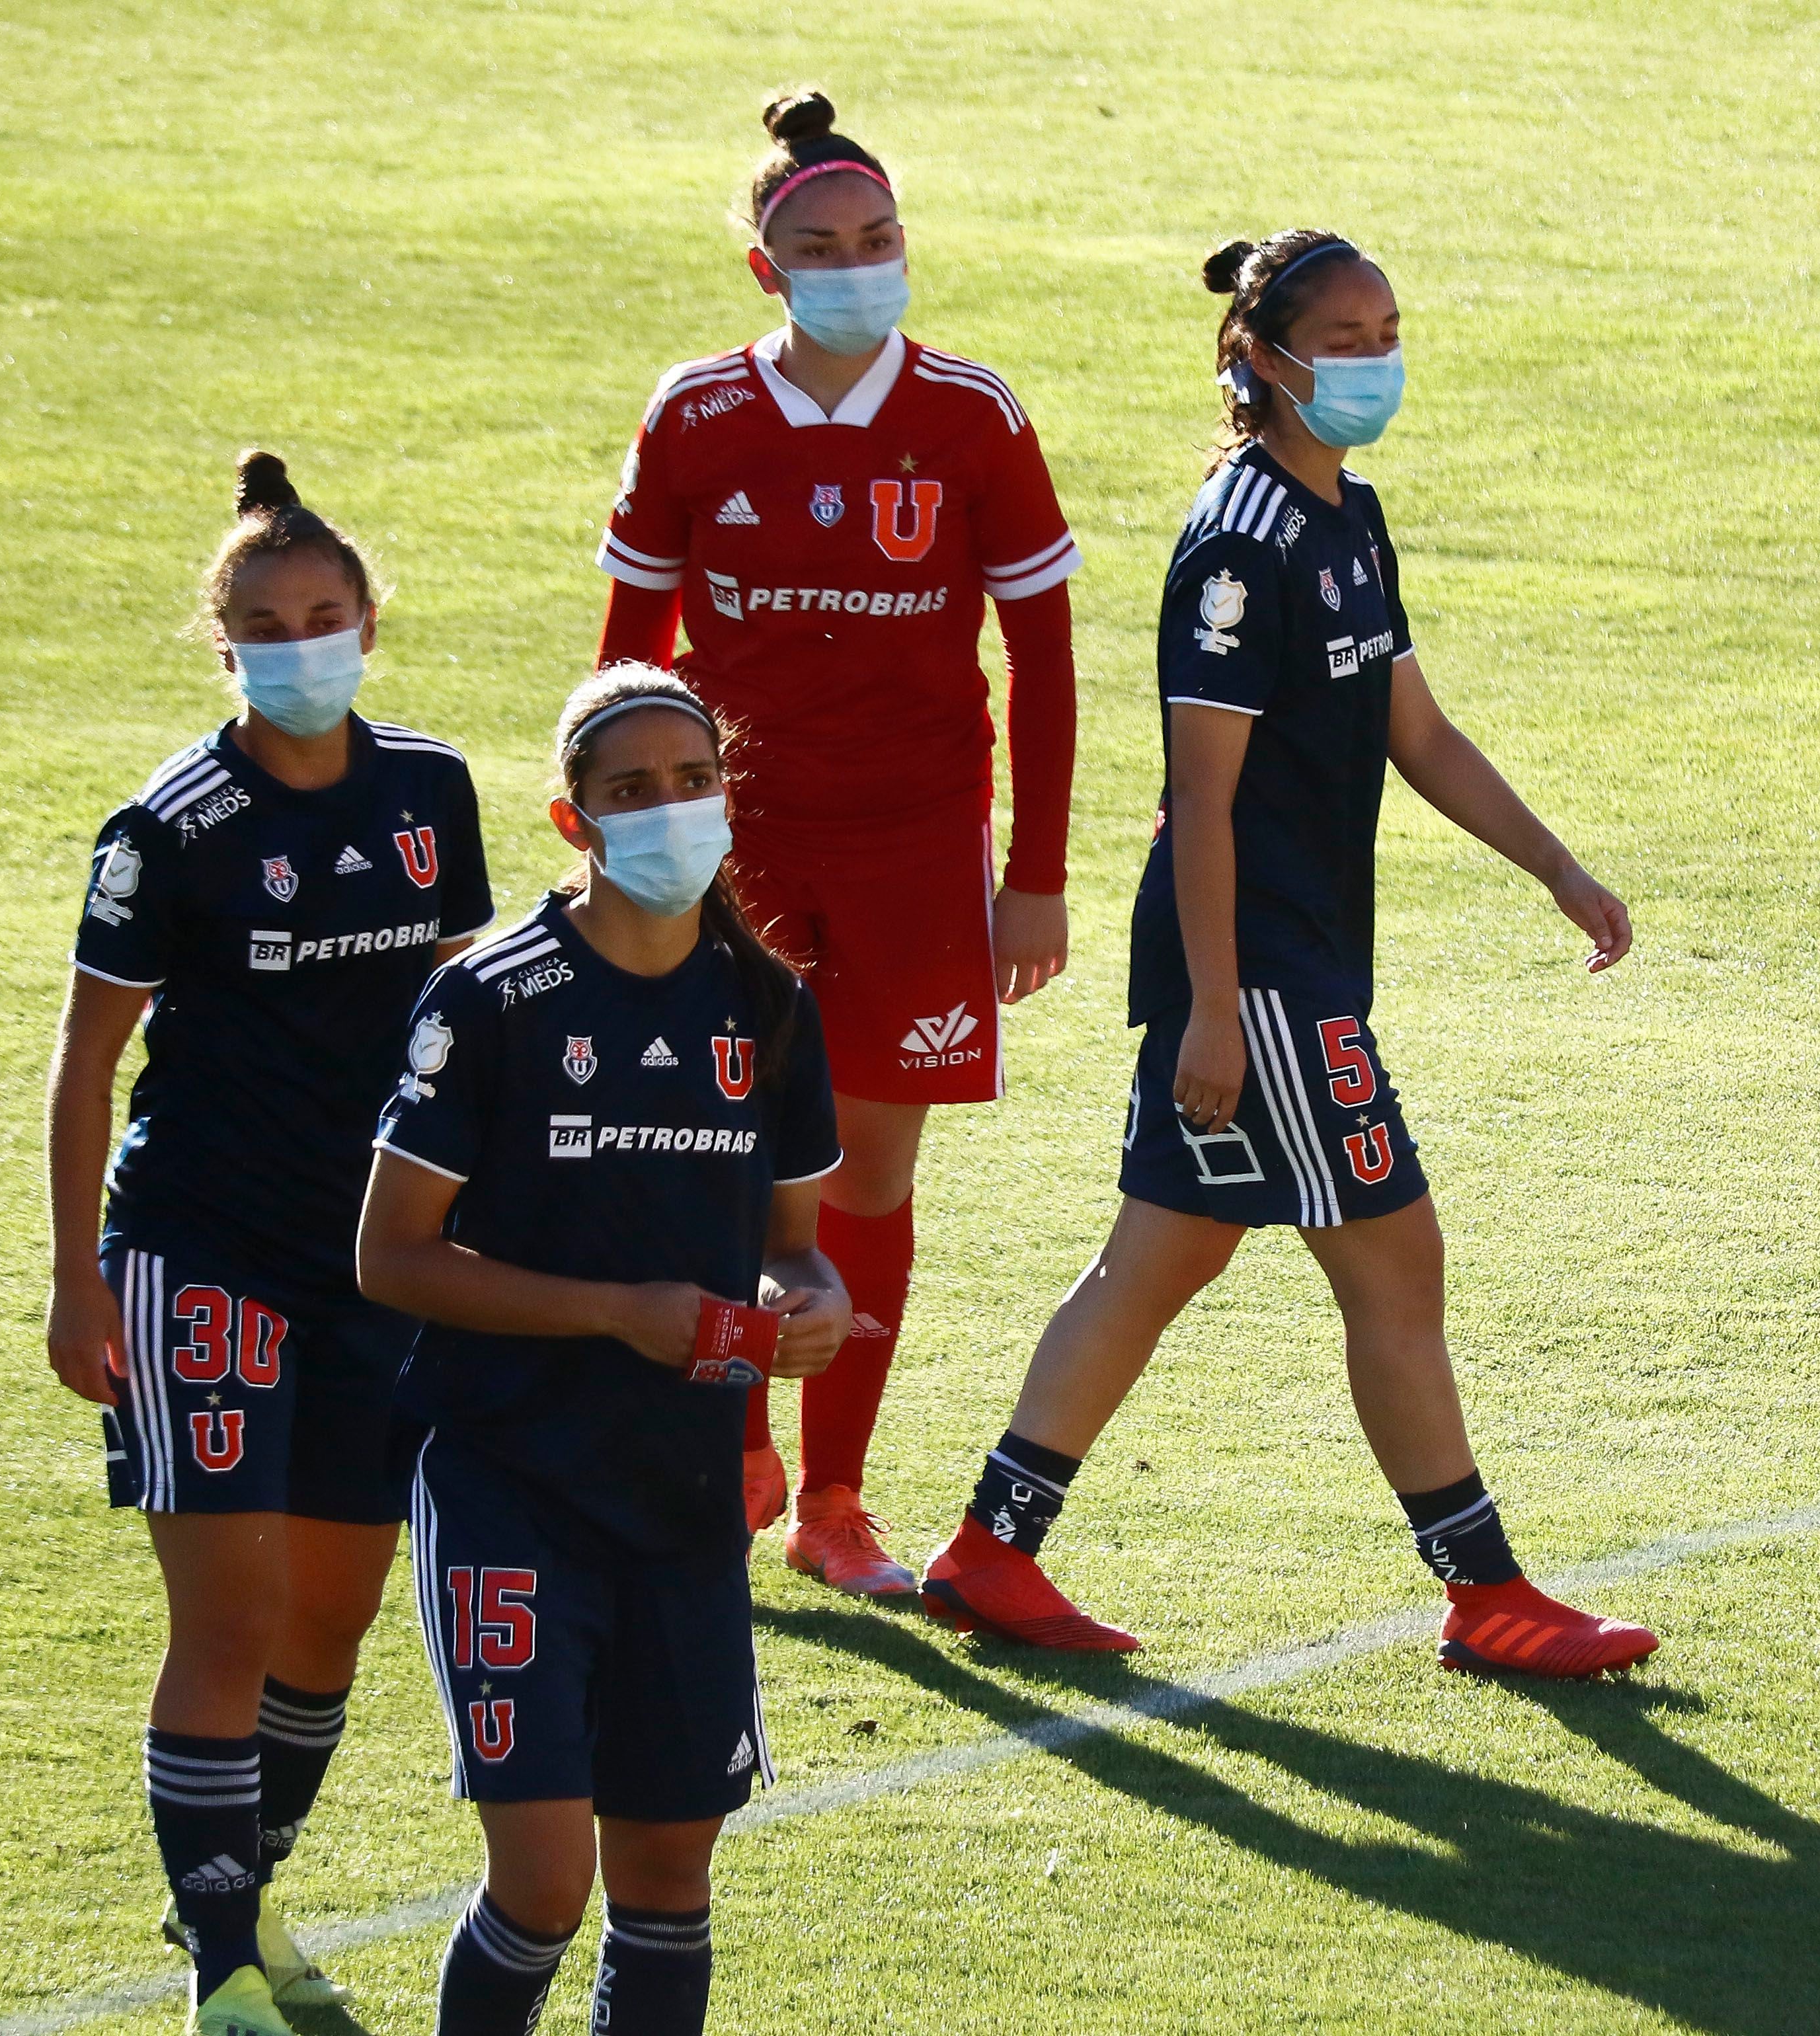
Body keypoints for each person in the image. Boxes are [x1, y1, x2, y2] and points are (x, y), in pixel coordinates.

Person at [912, 231, 1659, 1679]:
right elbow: (1202, 796)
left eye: (1392, 330)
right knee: (1396, 1262)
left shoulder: (1347, 515)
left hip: (1278, 960)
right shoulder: (1241, 546)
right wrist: (1211, 1007)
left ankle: (993, 1548)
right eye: (1349, 336)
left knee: (1157, 1258)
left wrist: (1557, 867)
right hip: (1256, 973)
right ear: (1264, 356)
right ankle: (1484, 1588)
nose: (1377, 360)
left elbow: (1417, 732)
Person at [592, 88, 1084, 1598]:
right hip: (729, 852)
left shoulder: (971, 415)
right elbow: (625, 659)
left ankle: (834, 1495)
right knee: (716, 1146)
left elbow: (1045, 659)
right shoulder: (696, 415)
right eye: (821, 243)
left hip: (919, 851)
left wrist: (1035, 876)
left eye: (879, 238)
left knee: (868, 1168)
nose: (857, 263)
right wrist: (614, 845)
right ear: (766, 265)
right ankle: (728, 1441)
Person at [43, 453, 493, 2035]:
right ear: (218, 639)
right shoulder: (167, 828)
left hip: (378, 1260)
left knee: (334, 1620)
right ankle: (223, 1970)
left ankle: (228, 1890)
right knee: (229, 1620)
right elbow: (90, 1058)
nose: (299, 641)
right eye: (262, 621)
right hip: (202, 1250)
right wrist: (74, 1274)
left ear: (370, 621)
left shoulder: (432, 792)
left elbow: (465, 1031)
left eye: (324, 614)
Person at [359, 669, 850, 2036]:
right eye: (631, 792)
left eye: (693, 780)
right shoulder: (493, 1002)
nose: (670, 810)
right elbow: (390, 1254)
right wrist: (612, 1308)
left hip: (683, 1495)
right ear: (573, 822)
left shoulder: (768, 1005)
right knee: (543, 1881)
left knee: (668, 1875)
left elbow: (795, 1242)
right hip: (510, 1478)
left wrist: (803, 1305)